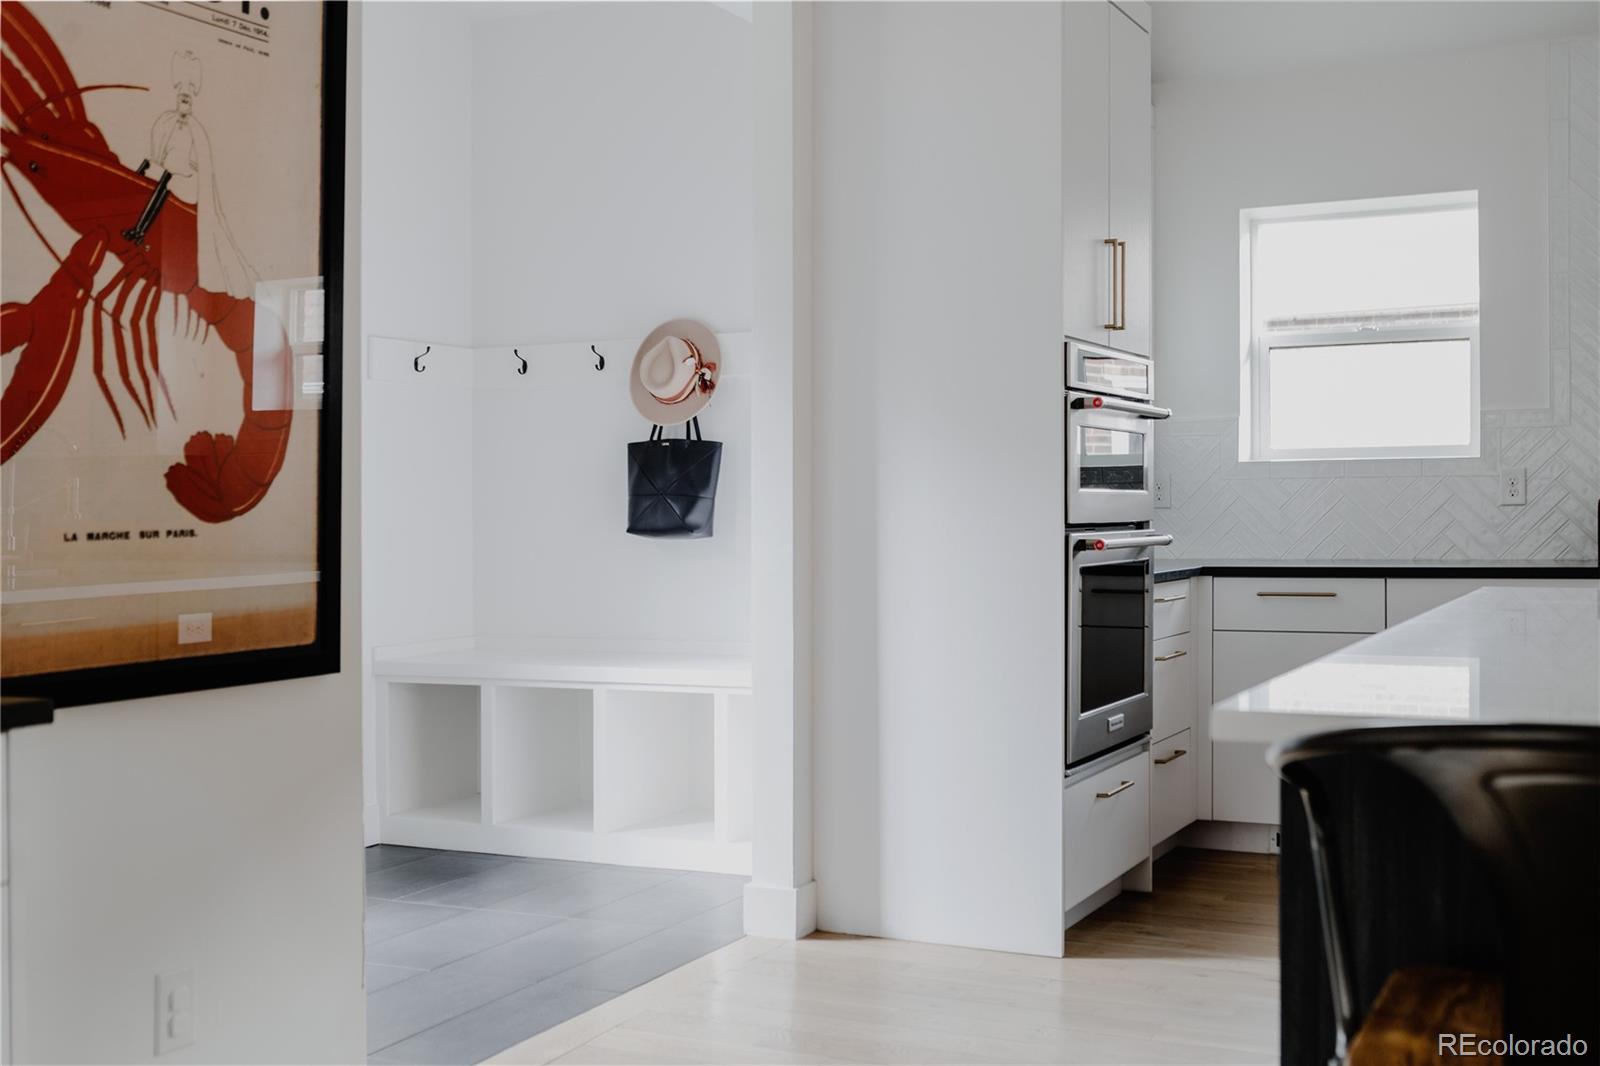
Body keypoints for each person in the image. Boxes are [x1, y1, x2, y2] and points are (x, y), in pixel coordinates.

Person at [124, 50, 258, 300]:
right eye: (181, 91)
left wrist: (177, 171)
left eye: (189, 93)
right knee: (151, 176)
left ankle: (140, 230)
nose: (184, 97)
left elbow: (199, 167)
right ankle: (130, 217)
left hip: (185, 183)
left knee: (165, 183)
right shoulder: (165, 122)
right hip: (163, 174)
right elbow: (155, 152)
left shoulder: (198, 133)